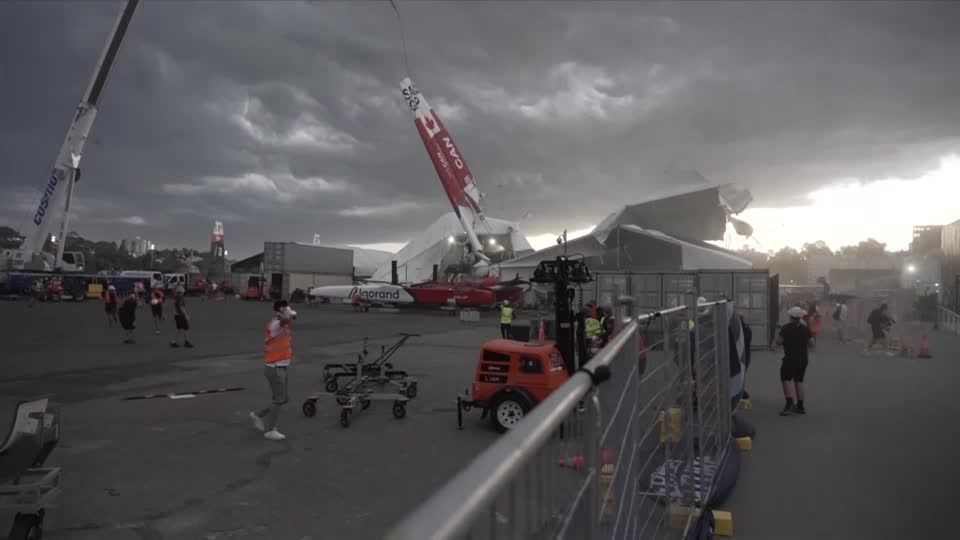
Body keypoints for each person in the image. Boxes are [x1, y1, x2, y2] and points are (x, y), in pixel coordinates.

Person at [250, 300, 297, 441]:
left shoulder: (283, 324)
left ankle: (258, 415)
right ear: (280, 309)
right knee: (279, 399)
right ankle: (271, 430)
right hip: (275, 367)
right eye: (286, 307)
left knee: (283, 399)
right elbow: (286, 319)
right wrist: (288, 313)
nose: (289, 308)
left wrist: (288, 313)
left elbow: (288, 321)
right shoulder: (275, 324)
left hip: (280, 366)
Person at [776, 306, 815, 416]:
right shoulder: (805, 328)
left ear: (790, 317)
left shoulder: (786, 328)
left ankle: (789, 405)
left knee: (786, 379)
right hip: (803, 360)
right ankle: (800, 406)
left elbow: (778, 342)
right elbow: (812, 344)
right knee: (799, 381)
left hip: (790, 359)